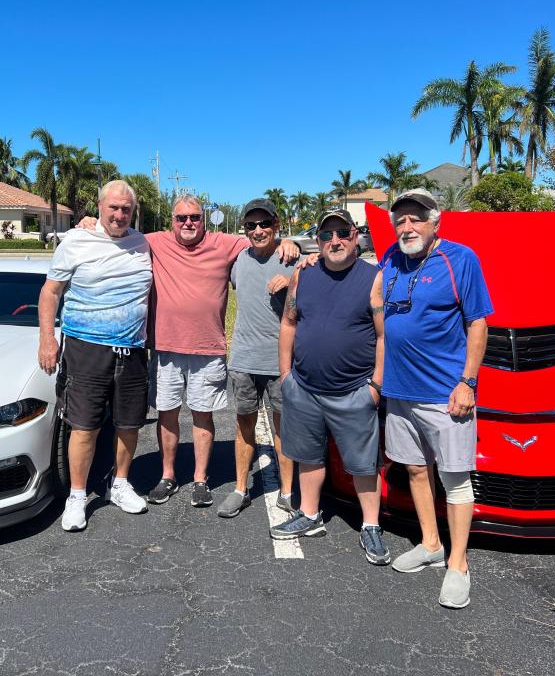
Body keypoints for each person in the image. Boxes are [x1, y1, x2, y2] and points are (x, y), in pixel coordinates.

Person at [375, 187, 493, 609]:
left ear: (436, 221)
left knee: (455, 479)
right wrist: (307, 256)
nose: (407, 226)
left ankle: (458, 564)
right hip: (399, 392)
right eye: (401, 219)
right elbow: (365, 286)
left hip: (445, 395)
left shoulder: (460, 259)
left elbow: (478, 324)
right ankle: (430, 543)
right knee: (416, 471)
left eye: (416, 218)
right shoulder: (390, 257)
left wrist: (468, 382)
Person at [145, 195, 299, 508]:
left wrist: (292, 244)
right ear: (171, 221)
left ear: (204, 219)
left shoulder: (226, 243)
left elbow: (272, 244)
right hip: (166, 346)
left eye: (195, 218)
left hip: (208, 345)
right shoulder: (154, 242)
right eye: (181, 218)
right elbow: (116, 235)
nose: (188, 223)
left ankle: (201, 479)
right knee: (167, 414)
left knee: (204, 415)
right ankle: (168, 476)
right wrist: (88, 224)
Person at [270, 208, 390, 566]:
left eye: (342, 233)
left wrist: (376, 386)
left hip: (354, 389)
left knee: (363, 464)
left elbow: (384, 336)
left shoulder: (373, 277)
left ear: (356, 236)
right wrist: (286, 376)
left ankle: (370, 525)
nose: (334, 240)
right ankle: (309, 513)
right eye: (326, 235)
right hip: (304, 387)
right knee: (308, 456)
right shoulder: (303, 276)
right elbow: (289, 324)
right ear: (319, 241)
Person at [37, 180, 152, 532]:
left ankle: (119, 484)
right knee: (83, 427)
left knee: (129, 425)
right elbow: (50, 292)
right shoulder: (75, 240)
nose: (119, 214)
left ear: (134, 212)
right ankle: (77, 495)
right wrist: (47, 340)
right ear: (100, 207)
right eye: (113, 208)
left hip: (132, 351)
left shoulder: (143, 243)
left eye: (126, 209)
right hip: (86, 348)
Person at [216, 199, 296, 518]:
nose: (258, 230)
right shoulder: (238, 260)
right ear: (244, 228)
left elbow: (319, 291)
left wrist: (294, 284)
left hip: (281, 361)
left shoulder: (293, 258)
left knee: (283, 429)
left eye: (265, 224)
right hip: (244, 360)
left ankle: (288, 492)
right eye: (251, 225)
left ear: (276, 225)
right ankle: (240, 489)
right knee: (243, 426)